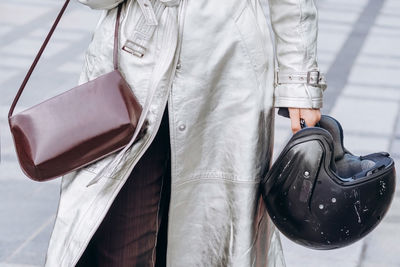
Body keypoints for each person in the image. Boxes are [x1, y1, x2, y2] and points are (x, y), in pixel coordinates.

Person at [45, 0, 326, 266]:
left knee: (207, 238)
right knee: (115, 240)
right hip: (130, 73)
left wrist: (300, 83)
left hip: (226, 75)